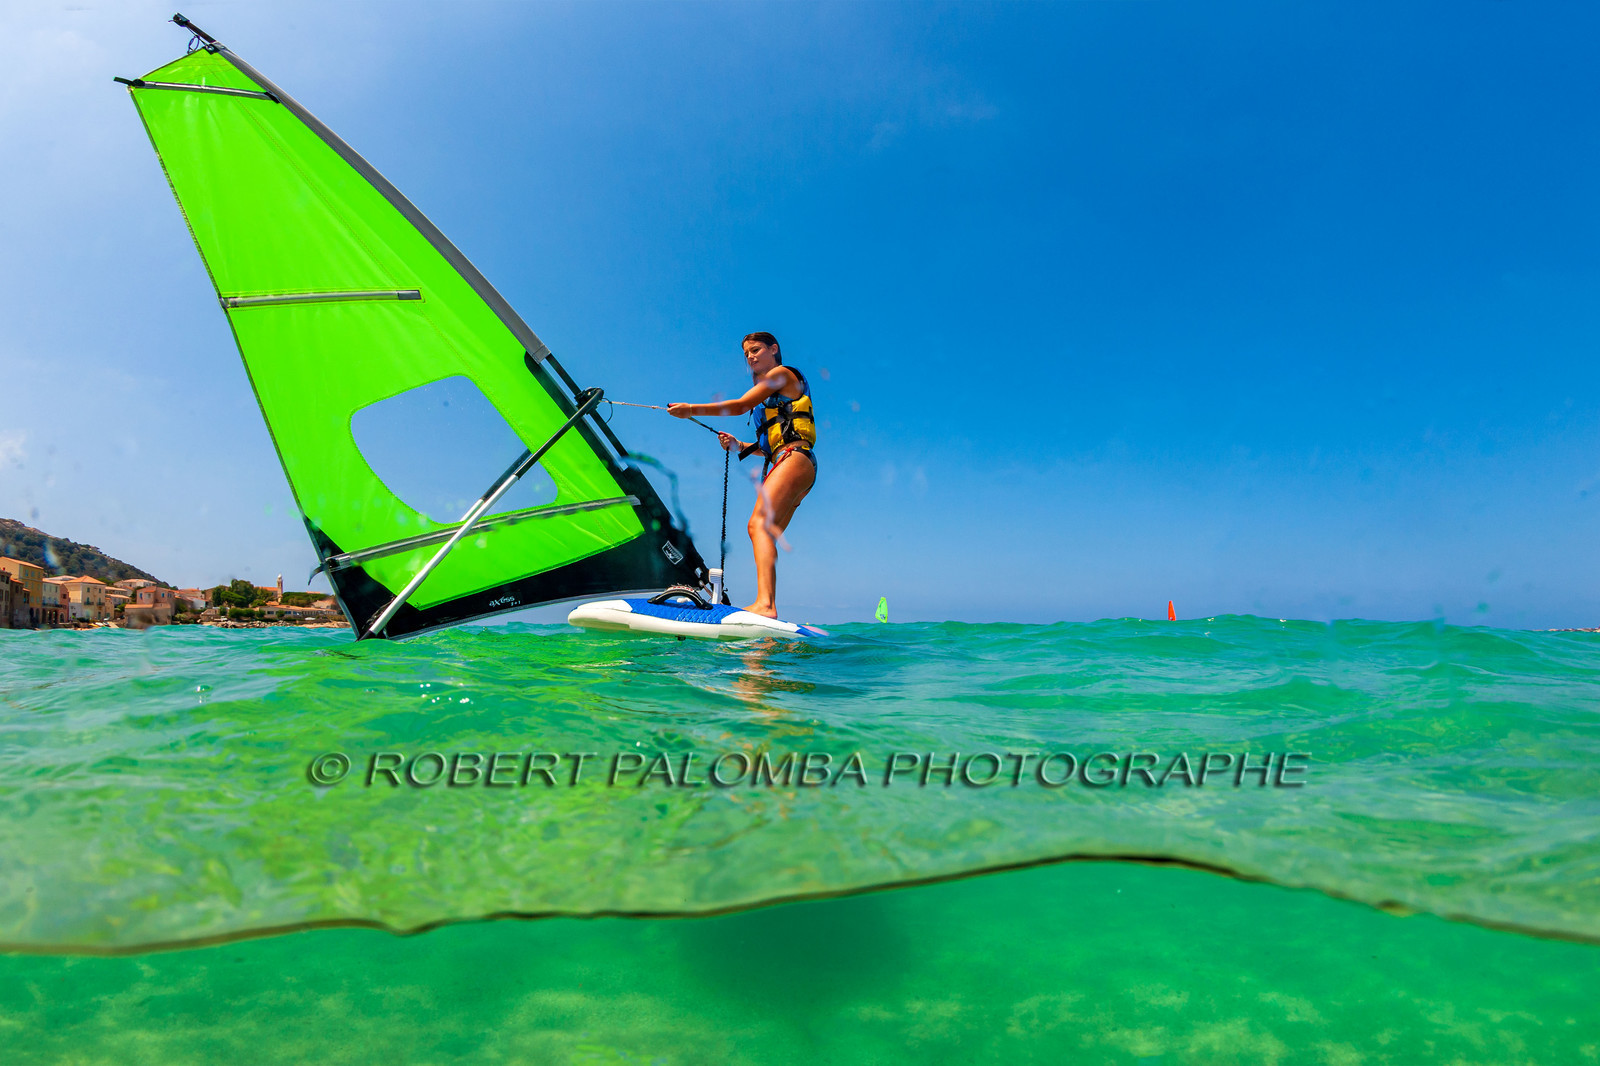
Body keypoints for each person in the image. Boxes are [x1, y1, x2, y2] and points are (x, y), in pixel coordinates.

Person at [667, 332, 816, 619]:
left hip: (794, 459)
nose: (750, 356)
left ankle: (766, 606)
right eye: (746, 353)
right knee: (766, 533)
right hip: (797, 464)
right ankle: (767, 608)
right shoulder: (774, 398)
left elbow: (738, 406)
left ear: (774, 349)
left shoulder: (783, 375)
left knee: (757, 525)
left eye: (756, 350)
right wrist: (739, 446)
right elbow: (766, 446)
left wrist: (690, 410)